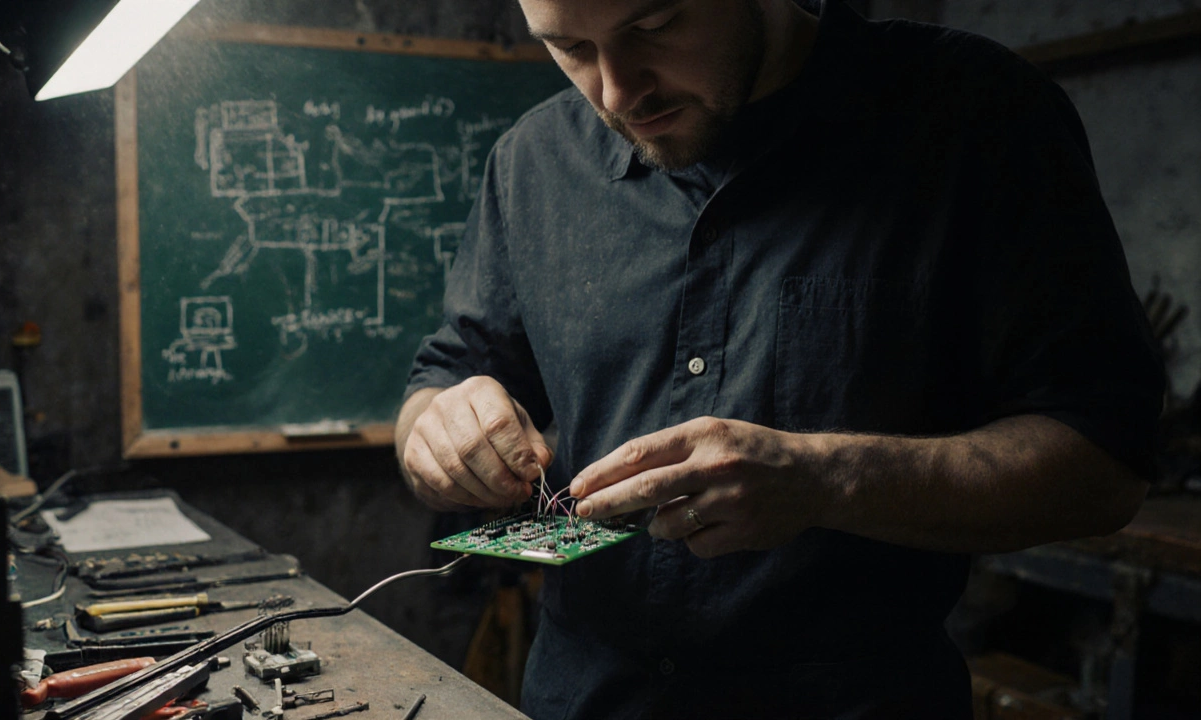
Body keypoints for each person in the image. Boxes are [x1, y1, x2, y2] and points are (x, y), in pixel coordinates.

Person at [395, 0, 1164, 717]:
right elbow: (441, 380)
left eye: (655, 24)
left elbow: (1103, 468)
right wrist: (436, 431)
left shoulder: (977, 117)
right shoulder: (529, 162)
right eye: (569, 47)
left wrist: (824, 480)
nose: (618, 92)